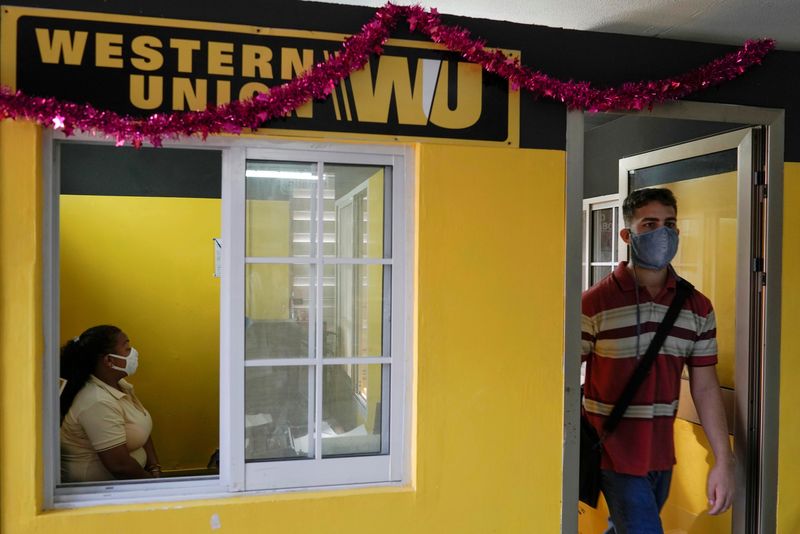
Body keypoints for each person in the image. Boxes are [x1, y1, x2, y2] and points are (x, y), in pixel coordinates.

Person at [581, 188, 734, 533]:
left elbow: (706, 386)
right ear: (627, 235)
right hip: (611, 451)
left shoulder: (697, 306)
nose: (662, 234)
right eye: (649, 224)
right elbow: (558, 376)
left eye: (669, 224)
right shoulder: (594, 303)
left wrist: (723, 459)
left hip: (661, 453)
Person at [60, 325, 161, 482]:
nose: (133, 353)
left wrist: (154, 466)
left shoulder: (120, 384)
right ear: (109, 360)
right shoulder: (97, 401)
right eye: (127, 349)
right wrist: (156, 488)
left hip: (135, 480)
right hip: (99, 490)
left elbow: (140, 423)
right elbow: (120, 467)